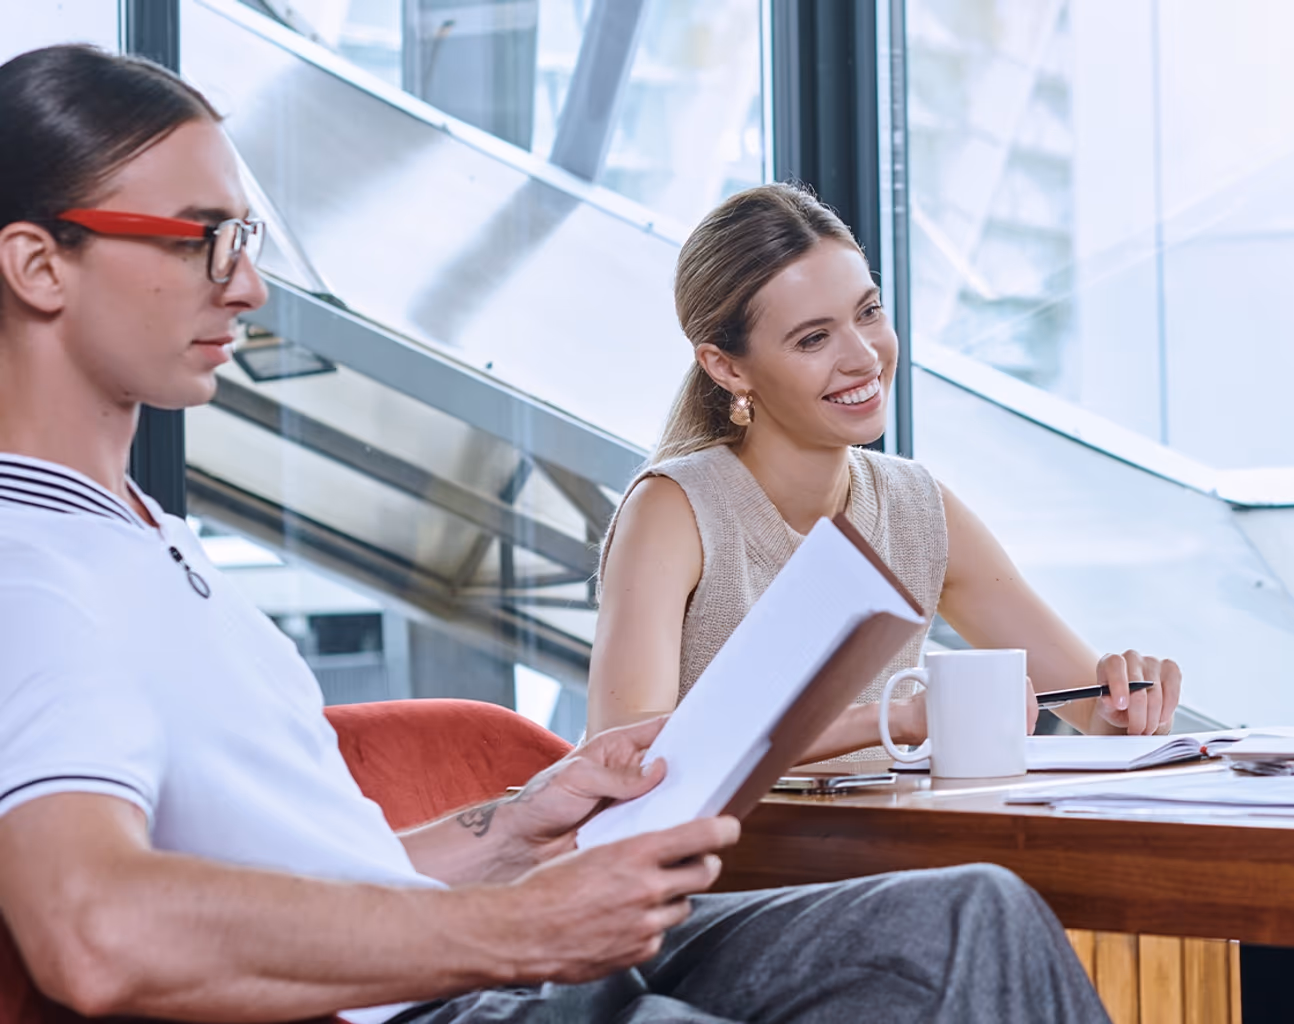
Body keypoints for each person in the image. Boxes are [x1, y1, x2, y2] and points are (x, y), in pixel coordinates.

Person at [0, 44, 1106, 1023]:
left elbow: (332, 878)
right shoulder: (29, 568)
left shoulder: (148, 540)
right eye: (203, 240)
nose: (248, 282)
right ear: (39, 265)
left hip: (452, 970)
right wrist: (524, 929)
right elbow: (92, 928)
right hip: (432, 1000)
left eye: (242, 236)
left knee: (970, 915)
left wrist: (521, 821)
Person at [587, 182, 1183, 760]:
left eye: (868, 312)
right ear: (726, 368)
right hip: (734, 861)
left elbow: (1090, 710)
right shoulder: (675, 510)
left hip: (887, 850)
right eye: (814, 338)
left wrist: (1126, 704)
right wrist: (890, 721)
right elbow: (620, 752)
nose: (865, 356)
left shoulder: (918, 507)